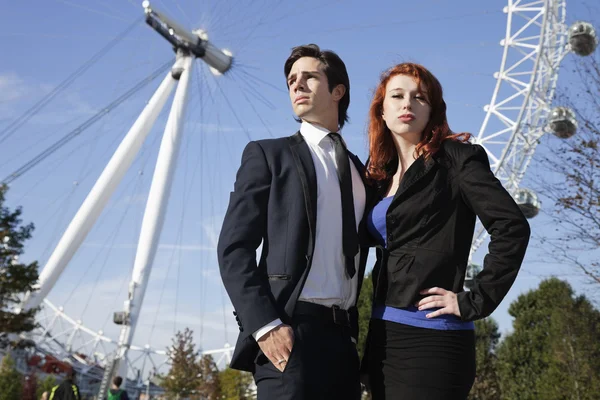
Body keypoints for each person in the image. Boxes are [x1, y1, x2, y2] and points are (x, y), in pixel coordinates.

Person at [362, 63, 531, 399]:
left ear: (433, 110)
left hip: (433, 338)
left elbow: (511, 226)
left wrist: (476, 300)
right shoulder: (378, 178)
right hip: (383, 335)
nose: (407, 104)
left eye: (419, 97)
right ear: (382, 110)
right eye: (397, 96)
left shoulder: (457, 160)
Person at [218, 44, 373, 399]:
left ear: (338, 91)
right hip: (289, 336)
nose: (297, 85)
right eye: (291, 80)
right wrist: (265, 325)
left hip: (344, 343)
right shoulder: (268, 155)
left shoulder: (361, 174)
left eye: (309, 77)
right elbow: (233, 248)